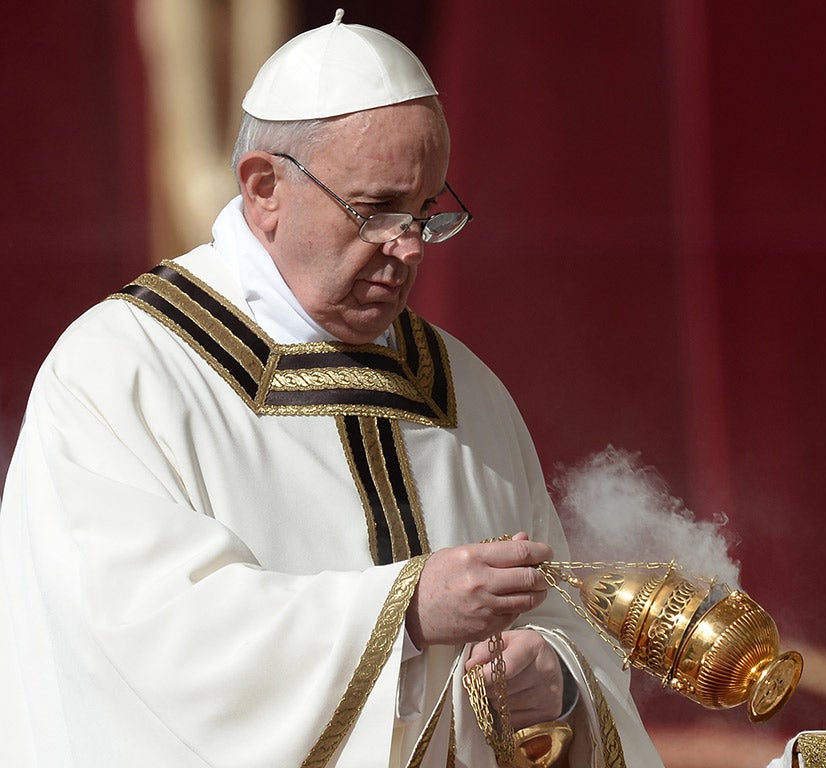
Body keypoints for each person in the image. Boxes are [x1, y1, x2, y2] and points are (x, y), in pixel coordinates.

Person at [0, 10, 665, 768]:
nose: (409, 247)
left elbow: (560, 620)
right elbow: (140, 644)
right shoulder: (124, 372)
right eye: (375, 210)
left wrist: (558, 678)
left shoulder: (467, 392)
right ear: (263, 189)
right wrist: (405, 612)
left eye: (425, 212)